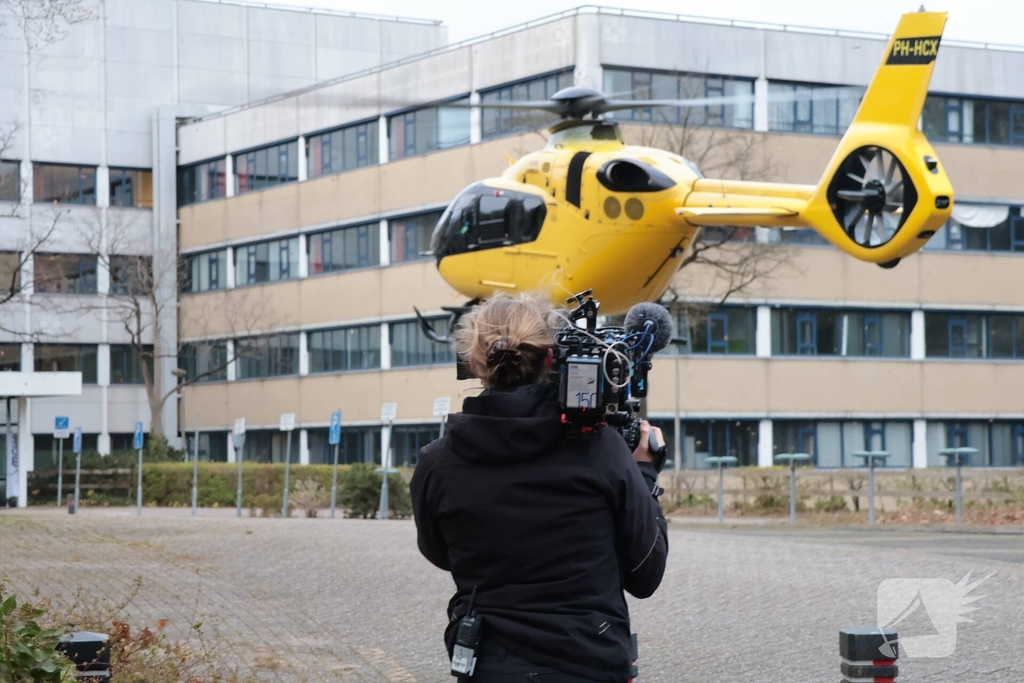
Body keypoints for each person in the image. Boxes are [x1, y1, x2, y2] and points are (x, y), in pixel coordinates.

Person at [411, 292, 669, 683]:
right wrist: (645, 474)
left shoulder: (436, 463)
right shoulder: (601, 451)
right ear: (551, 359)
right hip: (590, 662)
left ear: (475, 364)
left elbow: (442, 553)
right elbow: (644, 574)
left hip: (489, 664)